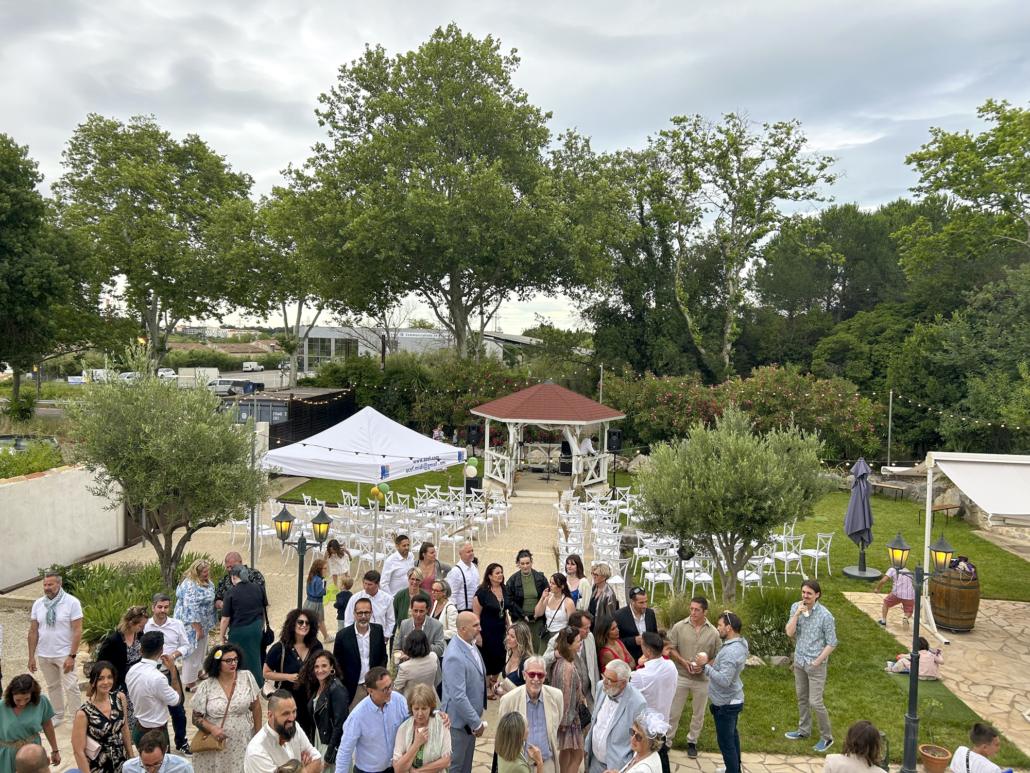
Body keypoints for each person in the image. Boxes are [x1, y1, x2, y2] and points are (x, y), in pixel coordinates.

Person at [191, 643, 262, 773]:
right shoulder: (206, 686)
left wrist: (258, 735)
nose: (233, 663)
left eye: (235, 659)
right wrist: (212, 728)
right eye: (228, 660)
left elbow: (256, 707)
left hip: (242, 741)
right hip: (216, 743)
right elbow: (196, 718)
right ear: (218, 663)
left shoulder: (246, 677)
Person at [785, 579, 837, 753]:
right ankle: (803, 731)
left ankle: (827, 737)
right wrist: (796, 615)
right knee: (801, 698)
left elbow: (832, 643)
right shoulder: (796, 607)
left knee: (815, 702)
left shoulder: (825, 616)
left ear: (817, 595)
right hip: (799, 661)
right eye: (803, 592)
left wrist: (817, 661)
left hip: (816, 665)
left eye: (809, 593)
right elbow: (789, 632)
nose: (805, 596)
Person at [666, 596, 721, 759]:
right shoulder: (679, 627)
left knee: (699, 713)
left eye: (697, 609)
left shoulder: (714, 632)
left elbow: (718, 655)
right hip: (681, 676)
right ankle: (667, 742)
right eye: (691, 609)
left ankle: (692, 742)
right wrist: (683, 662)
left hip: (703, 679)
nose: (693, 612)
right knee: (674, 711)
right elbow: (671, 648)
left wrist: (705, 666)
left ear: (705, 612)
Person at [27, 571, 82, 727]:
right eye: (45, 584)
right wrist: (31, 656)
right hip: (44, 653)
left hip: (64, 654)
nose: (47, 587)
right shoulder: (38, 604)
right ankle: (57, 715)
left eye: (50, 584)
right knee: (52, 686)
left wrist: (72, 655)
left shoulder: (72, 603)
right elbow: (33, 631)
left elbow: (77, 630)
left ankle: (76, 718)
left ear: (59, 584)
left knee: (71, 686)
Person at [695, 611, 748, 773]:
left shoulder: (731, 653)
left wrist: (705, 666)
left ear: (729, 628)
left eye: (720, 625)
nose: (717, 628)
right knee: (732, 737)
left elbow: (724, 681)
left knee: (726, 743)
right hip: (733, 699)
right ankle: (733, 768)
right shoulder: (740, 643)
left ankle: (732, 770)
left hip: (726, 704)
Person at [334, 668, 409, 773]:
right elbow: (345, 751)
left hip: (394, 768)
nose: (390, 691)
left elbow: (411, 722)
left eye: (390, 686)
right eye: (384, 689)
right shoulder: (357, 716)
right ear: (370, 691)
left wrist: (436, 715)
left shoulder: (399, 701)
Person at [264, 609, 323, 740]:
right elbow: (266, 673)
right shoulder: (280, 648)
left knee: (308, 739)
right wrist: (288, 677)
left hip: (309, 701)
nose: (304, 625)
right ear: (292, 624)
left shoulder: (316, 646)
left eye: (307, 623)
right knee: (287, 738)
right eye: (300, 622)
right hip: (287, 701)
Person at [498, 655, 562, 773]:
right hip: (520, 765)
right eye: (532, 674)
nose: (536, 679)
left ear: (545, 676)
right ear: (524, 675)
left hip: (547, 763)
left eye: (540, 675)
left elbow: (557, 726)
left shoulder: (556, 696)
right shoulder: (509, 700)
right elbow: (503, 736)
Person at [146, 593, 192, 754]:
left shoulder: (176, 624)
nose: (163, 610)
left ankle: (181, 741)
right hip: (151, 674)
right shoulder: (146, 626)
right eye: (159, 607)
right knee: (156, 711)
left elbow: (186, 646)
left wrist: (174, 655)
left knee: (178, 710)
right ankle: (161, 747)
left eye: (166, 607)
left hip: (170, 672)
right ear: (153, 607)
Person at [441, 612, 487, 773]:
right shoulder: (455, 656)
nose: (480, 628)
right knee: (455, 767)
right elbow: (458, 696)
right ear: (462, 629)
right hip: (458, 724)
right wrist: (477, 723)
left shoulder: (470, 643)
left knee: (466, 767)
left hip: (469, 722)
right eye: (475, 625)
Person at [583, 661, 646, 773]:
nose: (604, 682)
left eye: (610, 680)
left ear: (623, 683)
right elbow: (595, 720)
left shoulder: (638, 703)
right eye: (604, 676)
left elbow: (640, 740)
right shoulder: (600, 686)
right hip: (594, 762)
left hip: (616, 767)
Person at [71, 661, 132, 773]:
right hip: (98, 767)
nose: (106, 682)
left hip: (121, 764)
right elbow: (78, 751)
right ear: (93, 682)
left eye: (109, 677)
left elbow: (125, 728)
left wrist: (132, 758)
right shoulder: (83, 713)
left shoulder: (120, 698)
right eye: (100, 678)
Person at [126, 631, 182, 749]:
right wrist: (172, 670)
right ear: (161, 651)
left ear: (141, 650)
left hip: (138, 728)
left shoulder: (132, 671)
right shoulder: (158, 678)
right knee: (160, 766)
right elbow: (176, 700)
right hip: (156, 734)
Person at [630, 633, 676, 773]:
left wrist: (638, 665)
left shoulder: (640, 675)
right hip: (662, 723)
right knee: (662, 761)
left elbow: (629, 693)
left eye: (642, 645)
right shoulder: (670, 665)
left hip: (646, 730)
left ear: (648, 651)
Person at [244, 690, 321, 773]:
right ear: (270, 716)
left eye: (294, 711)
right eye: (286, 713)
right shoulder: (257, 750)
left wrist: (304, 770)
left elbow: (318, 761)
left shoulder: (294, 727)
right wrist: (304, 768)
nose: (292, 718)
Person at [219, 565, 270, 688]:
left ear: (233, 577)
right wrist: (261, 625)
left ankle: (240, 685)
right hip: (256, 628)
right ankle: (257, 683)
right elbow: (265, 607)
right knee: (255, 657)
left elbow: (225, 618)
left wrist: (221, 636)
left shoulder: (231, 592)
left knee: (237, 658)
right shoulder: (258, 588)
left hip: (239, 630)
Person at [333, 598, 387, 710]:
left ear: (371, 613)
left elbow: (383, 657)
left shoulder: (378, 631)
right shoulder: (342, 636)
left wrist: (379, 679)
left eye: (367, 612)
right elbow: (337, 663)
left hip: (374, 687)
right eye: (360, 613)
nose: (363, 616)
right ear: (354, 614)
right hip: (353, 689)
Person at [298, 651, 348, 769]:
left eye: (324, 666)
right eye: (316, 666)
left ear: (332, 667)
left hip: (330, 745)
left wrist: (329, 756)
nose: (320, 670)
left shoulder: (337, 689)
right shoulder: (318, 686)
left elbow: (340, 725)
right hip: (319, 741)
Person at [0, 674, 60, 772]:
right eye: (18, 700)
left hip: (33, 755)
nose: (22, 703)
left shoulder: (41, 702)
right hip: (7, 756)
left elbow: (48, 725)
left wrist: (55, 750)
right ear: (11, 695)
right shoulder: (1, 707)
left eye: (26, 699)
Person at [174, 559, 217, 690]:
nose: (207, 573)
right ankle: (189, 682)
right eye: (204, 571)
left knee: (201, 650)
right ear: (197, 572)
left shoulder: (207, 582)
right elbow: (191, 609)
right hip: (192, 625)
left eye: (208, 571)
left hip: (204, 623)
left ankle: (198, 671)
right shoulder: (191, 585)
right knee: (192, 651)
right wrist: (197, 629)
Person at [547, 629, 585, 773]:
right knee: (578, 755)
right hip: (569, 720)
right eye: (578, 641)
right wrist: (565, 721)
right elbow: (566, 696)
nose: (580, 644)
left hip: (565, 718)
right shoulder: (567, 667)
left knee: (566, 752)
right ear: (569, 645)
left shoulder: (561, 663)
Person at [393, 683, 452, 773]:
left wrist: (418, 771)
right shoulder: (404, 728)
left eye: (424, 708)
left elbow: (446, 761)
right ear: (411, 707)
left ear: (431, 707)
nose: (420, 714)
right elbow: (398, 768)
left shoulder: (442, 723)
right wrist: (416, 744)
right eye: (416, 709)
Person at [95, 605, 148, 700]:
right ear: (131, 623)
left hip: (136, 682)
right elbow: (100, 663)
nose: (143, 628)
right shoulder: (113, 640)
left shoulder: (140, 635)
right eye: (140, 625)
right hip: (119, 684)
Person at [473, 562, 511, 692]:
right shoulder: (482, 592)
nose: (500, 575)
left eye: (501, 572)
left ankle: (494, 681)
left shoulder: (504, 589)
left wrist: (508, 626)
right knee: (487, 658)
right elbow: (476, 614)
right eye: (497, 573)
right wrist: (477, 634)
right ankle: (487, 687)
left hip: (500, 630)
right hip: (486, 630)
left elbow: (504, 610)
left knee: (501, 657)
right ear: (489, 576)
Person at [505, 550, 548, 651]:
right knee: (522, 648)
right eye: (522, 563)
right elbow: (509, 601)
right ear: (518, 564)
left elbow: (547, 595)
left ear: (531, 562)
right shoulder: (512, 580)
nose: (525, 566)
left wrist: (537, 615)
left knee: (537, 649)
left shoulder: (540, 578)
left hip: (538, 620)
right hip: (521, 620)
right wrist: (523, 615)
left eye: (527, 563)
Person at [343, 571, 396, 640]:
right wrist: (351, 635)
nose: (366, 587)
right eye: (365, 583)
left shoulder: (387, 599)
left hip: (379, 637)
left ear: (377, 584)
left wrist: (386, 636)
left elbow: (390, 620)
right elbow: (348, 619)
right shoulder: (355, 598)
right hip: (359, 637)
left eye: (370, 584)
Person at [394, 596, 446, 663]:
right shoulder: (404, 624)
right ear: (411, 609)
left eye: (421, 611)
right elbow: (397, 648)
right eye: (415, 611)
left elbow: (440, 650)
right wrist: (401, 655)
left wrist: (418, 649)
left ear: (427, 610)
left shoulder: (437, 625)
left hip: (428, 667)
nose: (418, 614)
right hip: (408, 667)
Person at [613, 588, 658, 665]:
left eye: (646, 602)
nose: (645, 606)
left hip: (649, 660)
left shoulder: (650, 614)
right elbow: (615, 641)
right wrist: (634, 641)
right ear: (632, 602)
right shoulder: (619, 616)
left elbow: (655, 634)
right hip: (630, 661)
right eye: (641, 603)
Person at [214, 553, 266, 618]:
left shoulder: (255, 575)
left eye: (232, 566)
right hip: (233, 623)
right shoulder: (224, 581)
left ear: (241, 562)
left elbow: (261, 596)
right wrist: (221, 604)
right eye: (227, 567)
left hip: (253, 619)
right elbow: (216, 600)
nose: (230, 569)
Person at [394, 630, 441, 697]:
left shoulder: (404, 667)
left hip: (413, 702)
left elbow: (397, 689)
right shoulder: (433, 657)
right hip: (430, 698)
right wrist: (410, 658)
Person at [123, 729, 195, 773]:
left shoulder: (183, 767)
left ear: (165, 751)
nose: (151, 770)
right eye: (146, 765)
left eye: (156, 764)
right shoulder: (129, 768)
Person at [534, 575, 576, 650]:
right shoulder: (548, 597)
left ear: (562, 586)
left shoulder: (568, 602)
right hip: (547, 634)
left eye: (553, 583)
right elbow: (537, 613)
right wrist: (542, 598)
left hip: (560, 636)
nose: (550, 585)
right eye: (550, 582)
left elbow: (573, 624)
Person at [496, 622, 536, 699]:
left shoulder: (528, 663)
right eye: (508, 634)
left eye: (512, 636)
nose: (507, 638)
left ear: (521, 640)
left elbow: (531, 694)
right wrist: (498, 685)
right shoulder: (509, 654)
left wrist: (504, 693)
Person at [445, 543, 479, 614]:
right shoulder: (456, 571)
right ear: (460, 554)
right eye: (468, 552)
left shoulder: (474, 567)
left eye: (472, 551)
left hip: (475, 609)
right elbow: (451, 595)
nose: (471, 553)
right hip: (461, 611)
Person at [304, 560, 331, 641]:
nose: (326, 570)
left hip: (308, 602)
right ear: (319, 569)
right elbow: (320, 592)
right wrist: (325, 590)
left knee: (313, 620)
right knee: (318, 621)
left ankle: (326, 636)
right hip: (316, 604)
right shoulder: (319, 580)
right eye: (325, 569)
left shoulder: (311, 577)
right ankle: (323, 637)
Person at [587, 565, 619, 629]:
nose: (593, 577)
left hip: (600, 629)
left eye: (596, 575)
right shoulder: (595, 587)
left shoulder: (609, 594)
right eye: (593, 574)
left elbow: (610, 617)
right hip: (591, 624)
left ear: (604, 577)